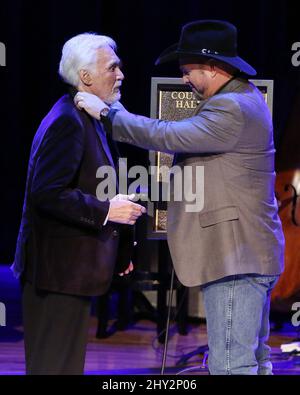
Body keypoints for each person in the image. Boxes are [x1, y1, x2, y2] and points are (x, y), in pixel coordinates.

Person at [74, 20, 285, 375]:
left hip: (236, 259)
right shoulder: (238, 100)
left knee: (232, 366)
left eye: (188, 71)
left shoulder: (233, 107)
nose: (184, 79)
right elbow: (210, 172)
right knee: (252, 361)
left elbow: (170, 135)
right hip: (245, 255)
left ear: (214, 67)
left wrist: (111, 115)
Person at [12, 33, 146, 375]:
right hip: (55, 274)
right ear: (85, 77)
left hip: (69, 274)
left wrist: (119, 250)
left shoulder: (87, 117)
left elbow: (85, 186)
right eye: (113, 67)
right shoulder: (67, 121)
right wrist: (107, 211)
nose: (121, 75)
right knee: (53, 368)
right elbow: (47, 193)